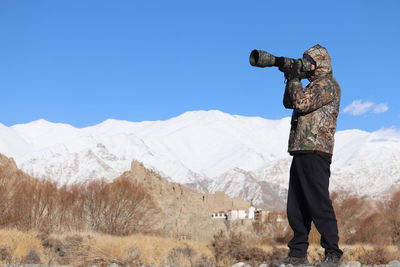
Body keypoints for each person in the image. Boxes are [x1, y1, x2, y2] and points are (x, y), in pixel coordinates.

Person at [273, 44, 343, 267]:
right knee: (296, 206)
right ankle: (297, 254)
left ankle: (333, 253)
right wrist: (291, 78)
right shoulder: (311, 86)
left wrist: (295, 79)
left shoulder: (328, 85)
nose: (305, 64)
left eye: (308, 61)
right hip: (301, 149)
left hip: (316, 151)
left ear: (320, 64)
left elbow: (301, 104)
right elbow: (289, 102)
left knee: (318, 204)